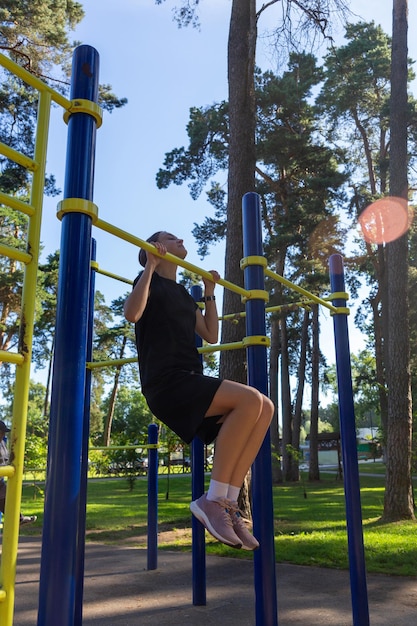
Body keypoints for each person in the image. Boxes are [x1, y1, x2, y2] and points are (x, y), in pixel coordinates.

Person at [124, 231, 274, 550]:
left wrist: (209, 292)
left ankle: (227, 503)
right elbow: (132, 314)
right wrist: (149, 267)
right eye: (172, 238)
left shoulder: (181, 294)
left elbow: (211, 334)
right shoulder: (147, 281)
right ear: (158, 248)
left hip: (188, 377)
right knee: (249, 400)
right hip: (166, 382)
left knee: (265, 408)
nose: (180, 239)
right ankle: (214, 498)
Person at [0, 420, 37, 526]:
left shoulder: (2, 443)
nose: (3, 434)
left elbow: (6, 458)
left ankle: (18, 519)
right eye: (1, 432)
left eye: (4, 432)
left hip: (0, 480)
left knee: (6, 498)